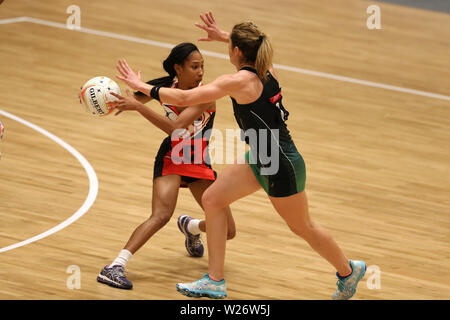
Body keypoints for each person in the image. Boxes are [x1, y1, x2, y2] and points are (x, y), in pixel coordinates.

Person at [110, 13, 366, 300]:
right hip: (262, 153)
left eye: (229, 44)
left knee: (302, 226)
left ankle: (347, 270)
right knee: (212, 199)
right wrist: (223, 36)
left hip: (279, 163)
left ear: (236, 51)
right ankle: (215, 281)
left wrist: (140, 85)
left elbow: (181, 99)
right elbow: (250, 47)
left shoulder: (237, 81)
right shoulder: (267, 69)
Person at [95, 42, 236, 290]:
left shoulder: (207, 96)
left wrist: (139, 106)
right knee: (161, 215)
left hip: (198, 159)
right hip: (172, 155)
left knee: (228, 231)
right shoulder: (164, 88)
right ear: (178, 69)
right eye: (195, 67)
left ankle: (191, 226)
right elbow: (125, 100)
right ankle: (115, 266)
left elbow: (175, 127)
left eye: (202, 66)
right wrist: (95, 98)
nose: (201, 72)